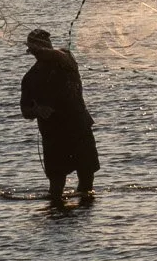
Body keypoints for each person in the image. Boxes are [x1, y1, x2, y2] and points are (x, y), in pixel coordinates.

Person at [20, 28, 99, 201]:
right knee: (56, 186)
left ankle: (87, 222)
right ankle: (58, 215)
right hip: (53, 136)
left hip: (79, 127)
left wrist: (45, 50)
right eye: (35, 49)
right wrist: (37, 111)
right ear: (31, 51)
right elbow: (25, 111)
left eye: (42, 48)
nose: (39, 52)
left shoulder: (66, 58)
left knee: (87, 180)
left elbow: (59, 55)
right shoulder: (31, 78)